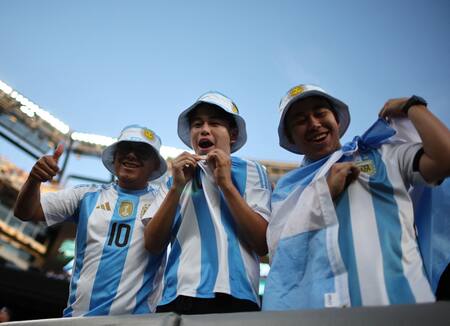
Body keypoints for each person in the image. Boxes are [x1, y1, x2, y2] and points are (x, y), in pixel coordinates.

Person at [262, 84, 450, 310]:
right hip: (318, 313)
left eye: (320, 113)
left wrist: (413, 106)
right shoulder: (286, 188)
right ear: (291, 138)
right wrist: (325, 191)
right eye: (300, 120)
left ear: (337, 121)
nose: (313, 123)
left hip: (398, 303)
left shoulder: (384, 153)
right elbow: (279, 247)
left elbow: (444, 159)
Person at [14, 125, 168, 317]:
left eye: (142, 152)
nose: (131, 155)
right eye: (125, 148)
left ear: (155, 165)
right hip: (78, 320)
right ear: (114, 157)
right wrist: (34, 179)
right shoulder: (85, 195)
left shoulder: (165, 204)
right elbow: (26, 212)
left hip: (135, 323)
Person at [143, 92, 272, 314]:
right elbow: (153, 244)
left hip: (237, 295)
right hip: (177, 295)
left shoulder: (252, 170)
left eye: (214, 122)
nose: (204, 129)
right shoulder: (176, 177)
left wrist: (225, 184)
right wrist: (176, 187)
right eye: (197, 124)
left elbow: (261, 242)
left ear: (232, 134)